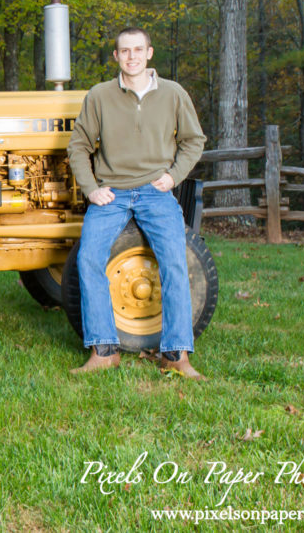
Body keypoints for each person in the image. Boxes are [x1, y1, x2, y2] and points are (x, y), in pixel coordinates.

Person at [67, 27, 208, 380]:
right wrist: (91, 189)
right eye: (124, 51)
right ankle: (104, 350)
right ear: (115, 56)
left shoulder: (173, 94)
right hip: (111, 193)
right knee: (87, 258)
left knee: (175, 262)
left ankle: (176, 354)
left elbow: (194, 140)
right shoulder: (99, 95)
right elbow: (79, 146)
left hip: (154, 191)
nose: (131, 56)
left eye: (138, 50)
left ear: (149, 53)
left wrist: (173, 177)